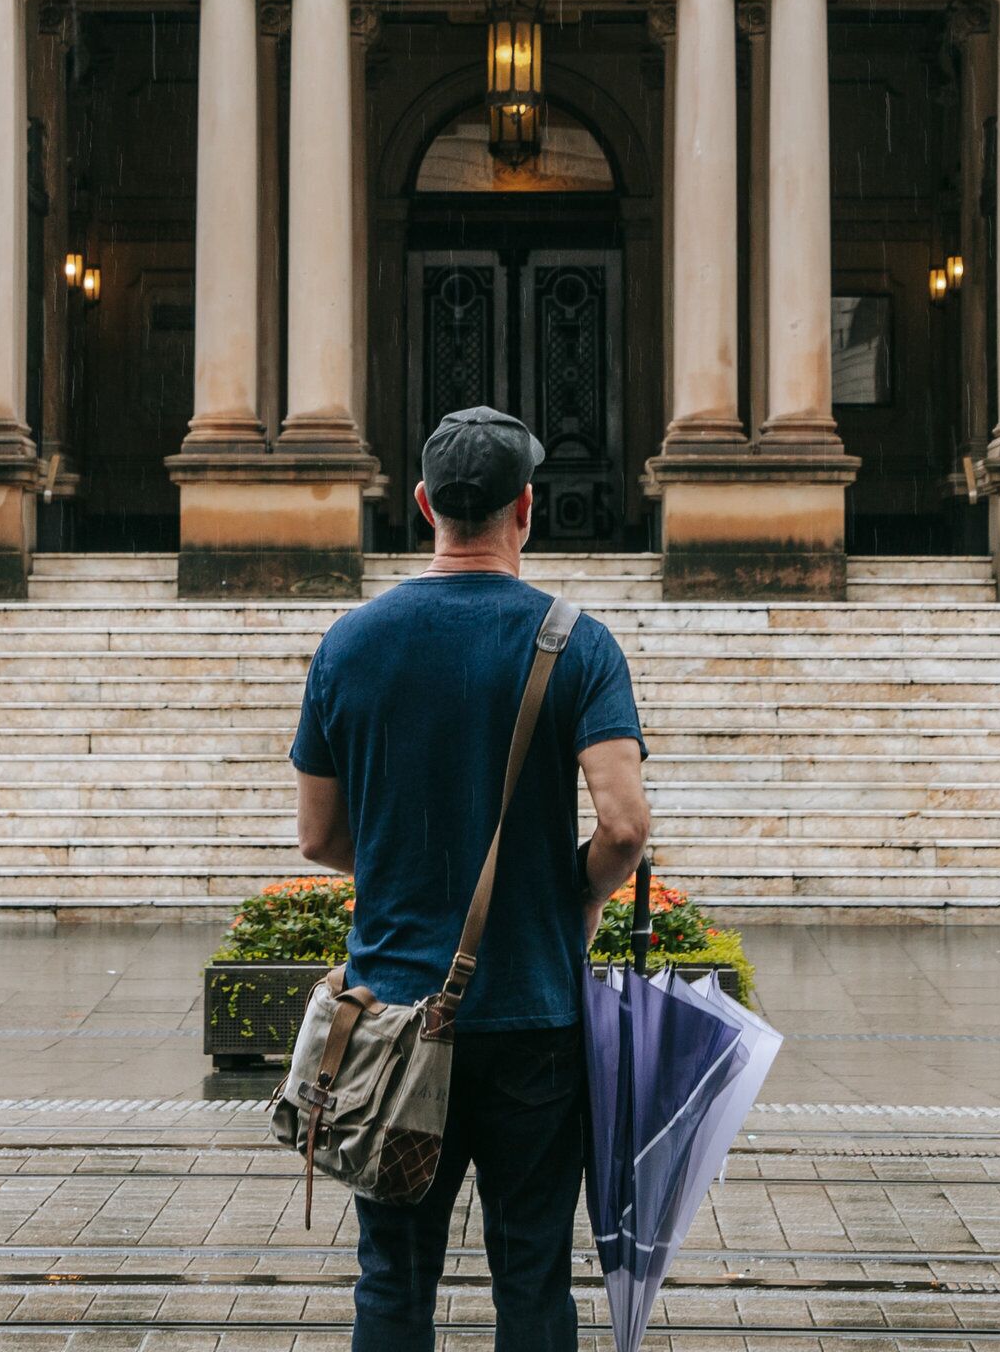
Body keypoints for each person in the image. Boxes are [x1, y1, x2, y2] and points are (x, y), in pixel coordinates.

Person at [292, 406, 653, 1352]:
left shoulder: (349, 643)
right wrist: (572, 897)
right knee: (533, 1279)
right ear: (525, 509)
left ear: (423, 506)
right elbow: (624, 828)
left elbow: (318, 836)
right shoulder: (578, 643)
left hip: (392, 1023)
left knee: (393, 1280)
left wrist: (407, 872)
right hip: (534, 1020)